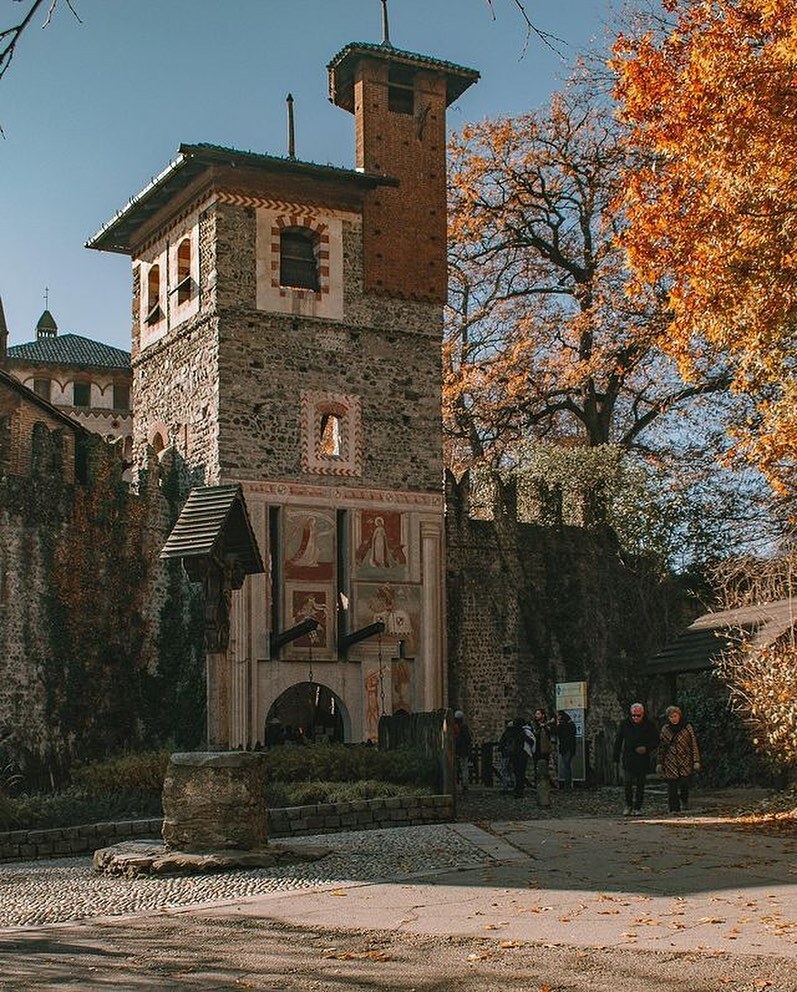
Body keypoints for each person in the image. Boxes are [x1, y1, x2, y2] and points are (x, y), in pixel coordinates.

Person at [613, 702, 659, 815]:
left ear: (643, 714)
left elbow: (656, 740)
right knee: (627, 783)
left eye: (638, 715)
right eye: (634, 715)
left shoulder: (649, 725)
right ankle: (628, 805)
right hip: (629, 757)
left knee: (640, 784)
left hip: (642, 758)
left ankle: (638, 807)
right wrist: (615, 758)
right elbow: (618, 741)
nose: (636, 718)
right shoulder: (625, 724)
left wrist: (646, 748)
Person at [657, 705, 701, 812]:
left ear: (679, 716)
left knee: (684, 783)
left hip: (685, 760)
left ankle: (684, 801)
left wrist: (696, 760)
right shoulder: (665, 729)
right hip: (670, 761)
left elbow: (693, 744)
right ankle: (674, 808)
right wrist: (659, 762)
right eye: (671, 717)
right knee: (672, 786)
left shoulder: (687, 727)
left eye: (675, 716)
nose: (673, 718)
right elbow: (661, 747)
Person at [501, 717, 535, 798]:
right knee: (521, 773)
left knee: (516, 772)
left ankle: (517, 789)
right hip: (522, 754)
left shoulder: (511, 732)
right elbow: (531, 741)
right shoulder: (522, 732)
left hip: (513, 754)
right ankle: (519, 790)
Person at [532, 707, 555, 807]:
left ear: (543, 715)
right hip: (536, 748)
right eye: (536, 714)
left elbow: (551, 733)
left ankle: (546, 783)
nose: (536, 716)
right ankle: (537, 783)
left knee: (544, 766)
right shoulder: (534, 724)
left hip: (545, 748)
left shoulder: (547, 724)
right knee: (537, 766)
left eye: (538, 714)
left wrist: (545, 726)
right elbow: (534, 733)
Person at [556, 710, 577, 789]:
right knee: (567, 765)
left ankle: (567, 784)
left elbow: (558, 733)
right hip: (571, 747)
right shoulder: (570, 724)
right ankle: (568, 783)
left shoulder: (562, 725)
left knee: (566, 766)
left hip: (566, 747)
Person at [453, 710, 472, 793]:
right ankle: (464, 785)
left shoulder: (453, 727)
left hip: (455, 750)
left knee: (456, 768)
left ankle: (455, 785)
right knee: (464, 768)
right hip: (463, 751)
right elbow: (468, 739)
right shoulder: (463, 727)